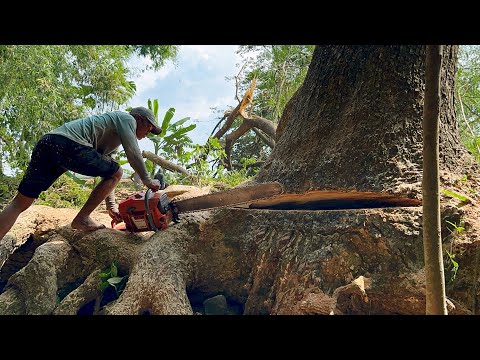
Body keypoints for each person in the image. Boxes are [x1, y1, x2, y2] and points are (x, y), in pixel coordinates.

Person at [0, 107, 163, 240]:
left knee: (20, 202)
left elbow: (108, 173)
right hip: (67, 144)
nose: (147, 134)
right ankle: (82, 218)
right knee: (117, 171)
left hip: (48, 142)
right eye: (148, 129)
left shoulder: (111, 139)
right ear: (140, 119)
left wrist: (111, 206)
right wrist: (147, 180)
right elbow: (133, 153)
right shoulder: (126, 118)